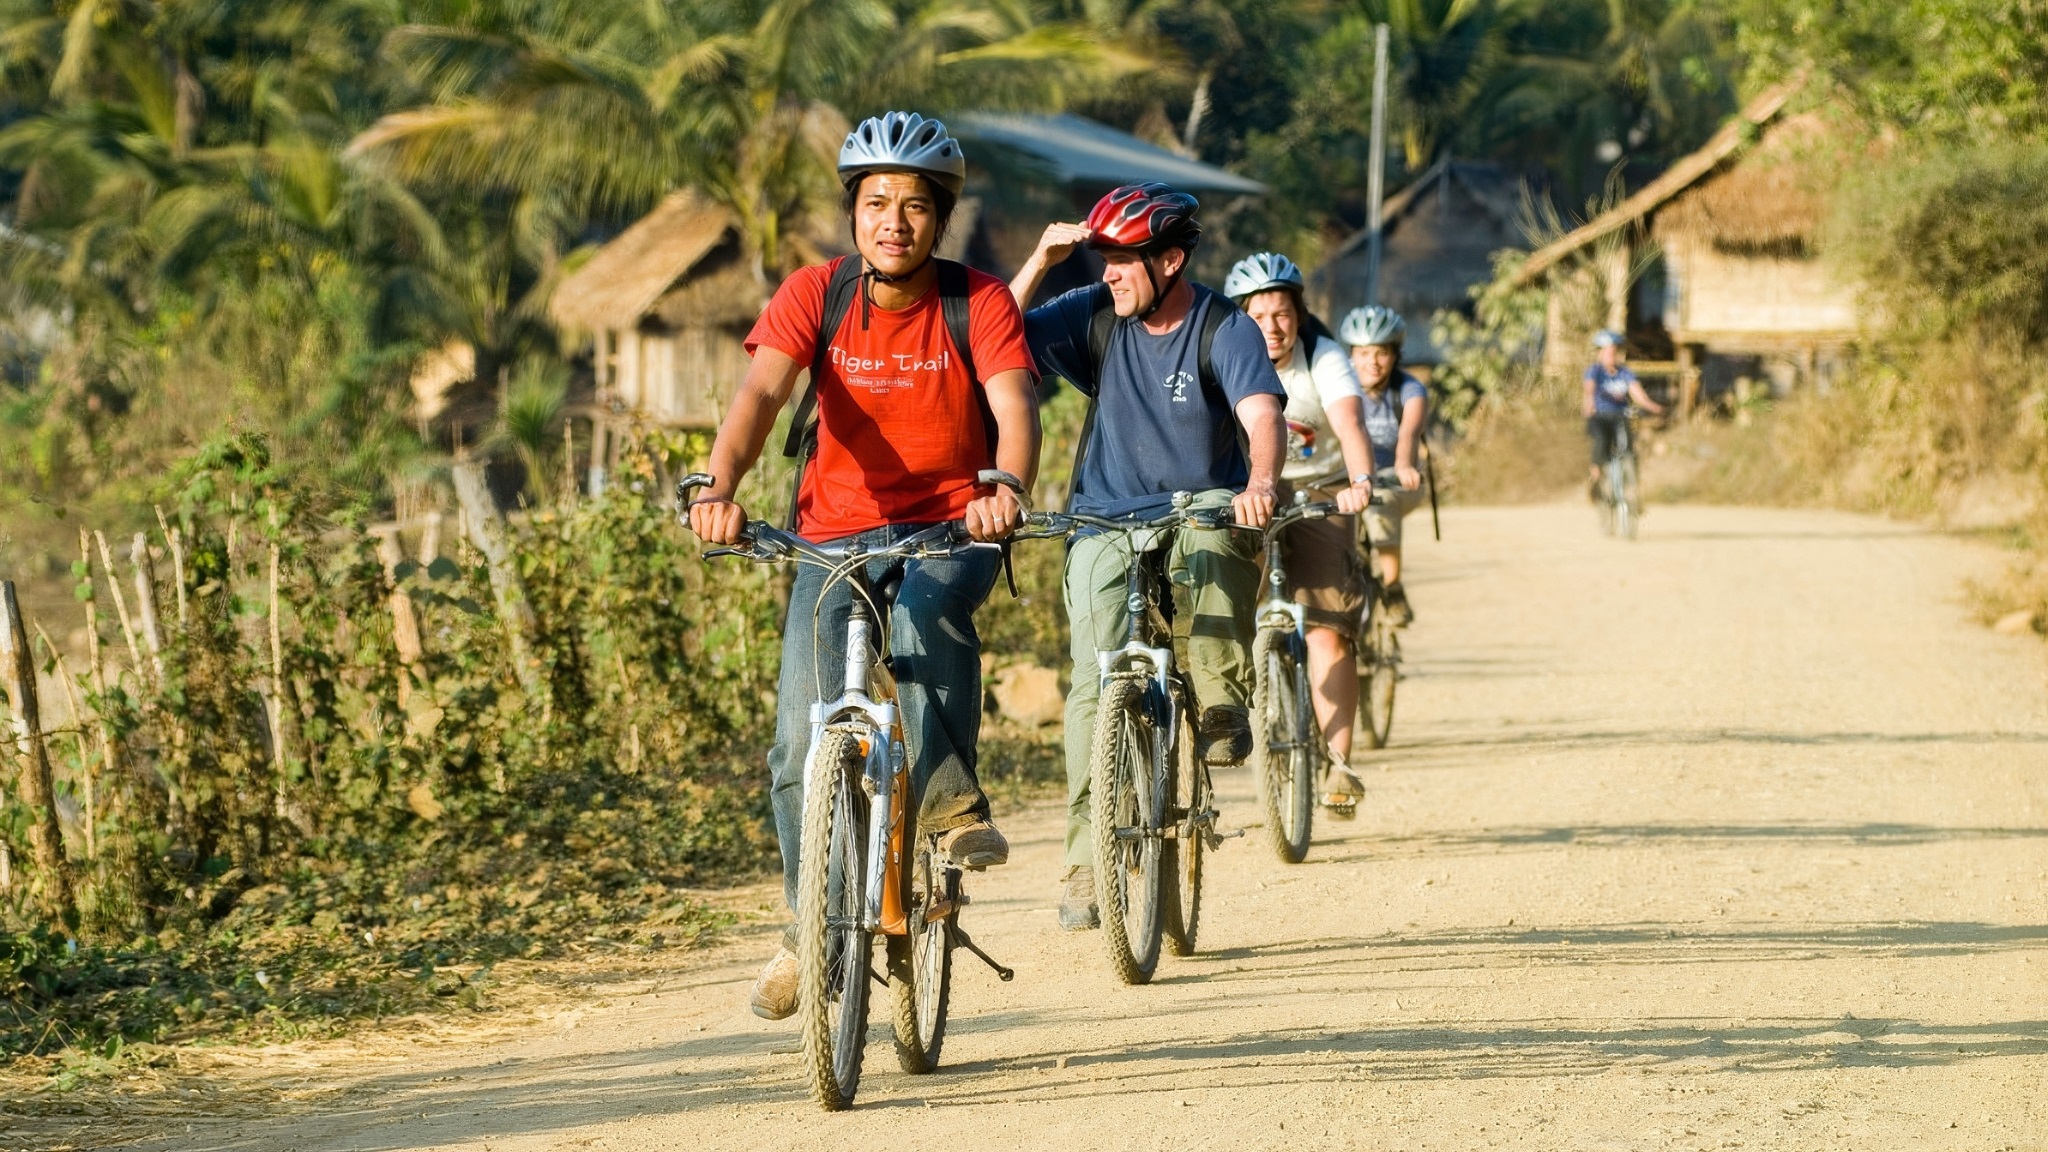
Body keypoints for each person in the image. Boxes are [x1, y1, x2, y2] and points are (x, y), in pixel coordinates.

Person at [685, 112, 1041, 1020]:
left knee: (923, 615)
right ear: (853, 212)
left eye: (915, 205)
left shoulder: (979, 302)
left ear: (941, 218)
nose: (894, 222)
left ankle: (953, 808)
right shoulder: (817, 293)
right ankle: (809, 927)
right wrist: (716, 489)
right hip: (832, 538)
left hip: (950, 528)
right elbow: (759, 395)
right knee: (797, 747)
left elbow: (1013, 405)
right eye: (877, 202)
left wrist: (1004, 488)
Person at [1007, 184, 1287, 931]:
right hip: (1104, 516)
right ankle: (1086, 858)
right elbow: (995, 338)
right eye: (1103, 259)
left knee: (1214, 540)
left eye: (1124, 260)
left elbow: (1261, 414)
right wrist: (1040, 260)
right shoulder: (1096, 313)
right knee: (1093, 683)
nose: (1108, 273)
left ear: (1169, 261)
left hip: (1201, 506)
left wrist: (1259, 484)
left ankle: (1220, 704)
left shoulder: (1223, 326)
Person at [1223, 252, 1381, 805]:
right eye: (1258, 315)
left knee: (1326, 627)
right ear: (1240, 318)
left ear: (1300, 315)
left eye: (1283, 314)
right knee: (1223, 603)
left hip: (1322, 488)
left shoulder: (1325, 357)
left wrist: (1360, 481)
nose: (1272, 326)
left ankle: (1339, 765)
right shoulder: (1224, 354)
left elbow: (1350, 424)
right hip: (1248, 490)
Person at [1337, 305, 1427, 626]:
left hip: (1394, 481)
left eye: (1382, 353)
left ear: (1395, 355)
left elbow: (1409, 434)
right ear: (1350, 354)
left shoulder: (1410, 390)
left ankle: (1393, 588)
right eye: (1363, 353)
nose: (1372, 362)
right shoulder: (1337, 387)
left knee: (1380, 502)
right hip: (1345, 481)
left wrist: (1404, 467)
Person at [1584, 329, 1664, 496]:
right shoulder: (1595, 372)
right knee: (1601, 442)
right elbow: (1589, 390)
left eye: (1614, 352)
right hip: (1600, 416)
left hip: (1620, 416)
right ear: (1600, 354)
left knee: (1629, 448)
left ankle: (1634, 489)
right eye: (1607, 352)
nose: (1611, 356)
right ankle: (1595, 477)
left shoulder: (1624, 373)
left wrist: (1653, 407)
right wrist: (1589, 406)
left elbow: (1638, 395)